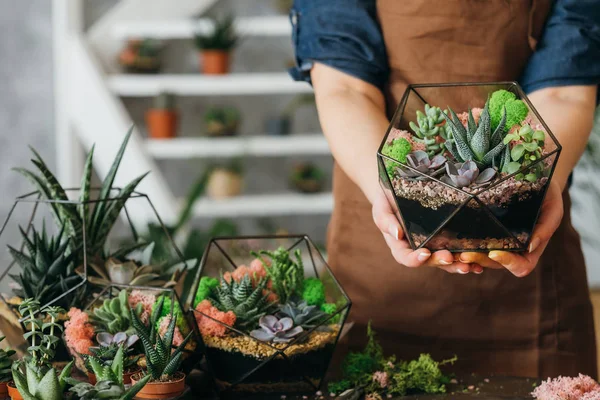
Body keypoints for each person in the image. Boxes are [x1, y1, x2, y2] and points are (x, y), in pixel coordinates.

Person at [289, 0, 600, 378]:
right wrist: (394, 189)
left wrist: (537, 180)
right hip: (381, 265)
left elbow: (563, 91)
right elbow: (345, 86)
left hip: (531, 295)